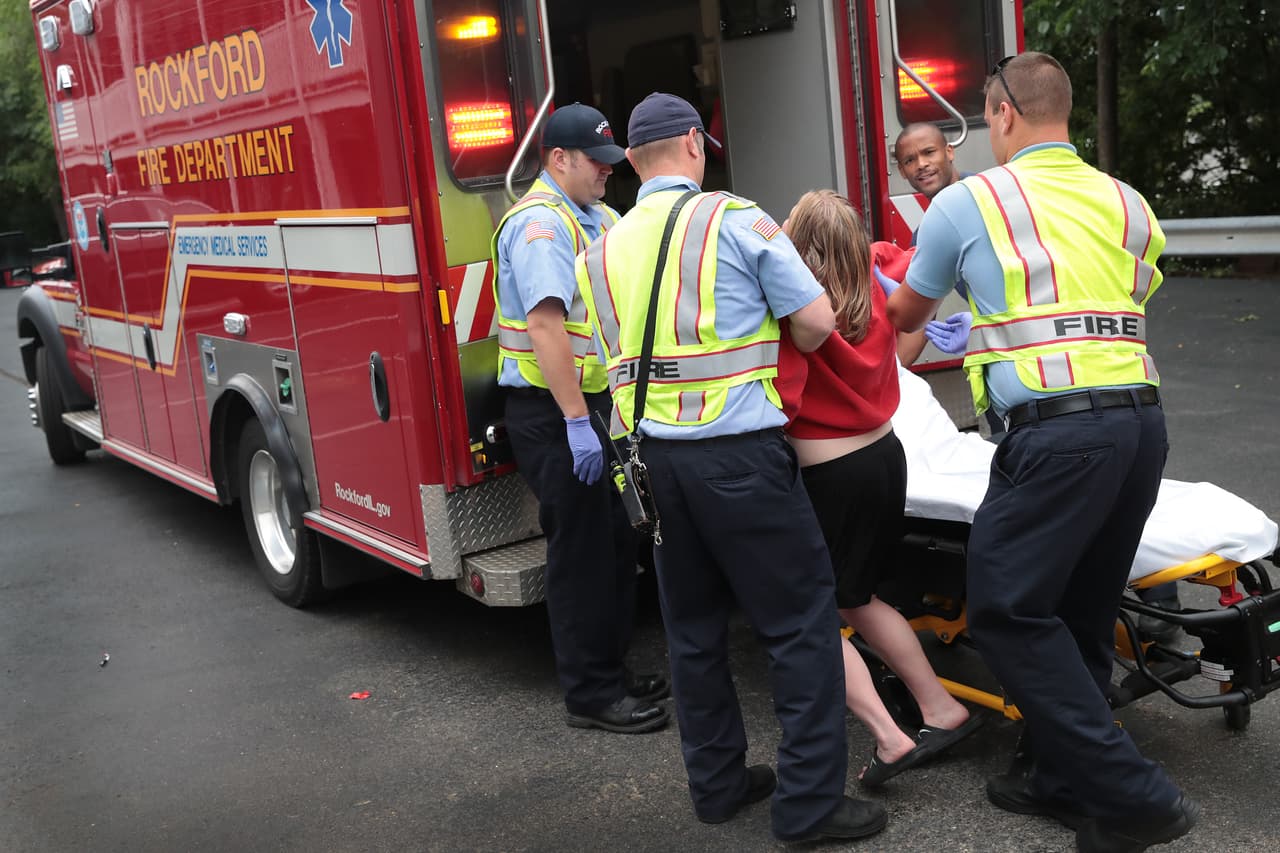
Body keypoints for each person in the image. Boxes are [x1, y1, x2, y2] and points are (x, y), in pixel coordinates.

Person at [884, 53, 1199, 852]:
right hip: (1139, 427)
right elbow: (1122, 295)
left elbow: (906, 313)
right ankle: (1062, 779)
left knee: (1003, 608)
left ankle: (1133, 796)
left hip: (1058, 435)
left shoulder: (968, 202)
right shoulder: (1130, 203)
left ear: (1000, 116)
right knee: (1080, 611)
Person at [575, 92, 887, 843]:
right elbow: (815, 323)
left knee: (692, 629)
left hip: (653, 464)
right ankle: (810, 804)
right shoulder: (736, 219)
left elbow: (602, 357)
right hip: (740, 460)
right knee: (800, 623)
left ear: (630, 161)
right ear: (692, 143)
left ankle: (717, 785)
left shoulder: (599, 250)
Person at [779, 190, 982, 788]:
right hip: (885, 457)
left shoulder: (803, 310)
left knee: (809, 611)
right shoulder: (875, 280)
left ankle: (895, 734)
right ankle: (938, 707)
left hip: (833, 474)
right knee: (857, 597)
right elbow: (914, 255)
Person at [493, 103, 669, 735]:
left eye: (610, 161)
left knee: (618, 545)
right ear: (558, 159)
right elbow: (545, 325)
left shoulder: (596, 217)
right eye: (596, 162)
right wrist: (575, 420)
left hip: (598, 407)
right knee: (584, 554)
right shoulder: (542, 226)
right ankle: (591, 695)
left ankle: (612, 669)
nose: (606, 171)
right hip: (557, 411)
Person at [894, 122, 961, 202]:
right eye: (910, 160)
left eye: (929, 152)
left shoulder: (976, 191)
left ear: (949, 152)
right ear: (902, 171)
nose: (921, 164)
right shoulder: (937, 209)